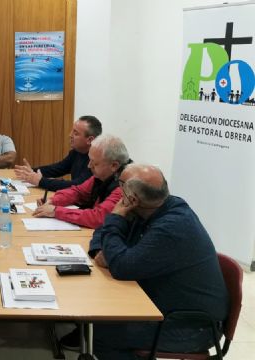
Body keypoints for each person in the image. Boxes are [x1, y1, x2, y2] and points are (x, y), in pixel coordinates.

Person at [86, 164, 229, 359]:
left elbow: (122, 267)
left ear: (132, 198)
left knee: (102, 334)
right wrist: (100, 252)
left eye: (121, 185)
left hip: (193, 326)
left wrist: (115, 222)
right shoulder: (148, 209)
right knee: (97, 318)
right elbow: (102, 232)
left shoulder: (172, 226)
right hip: (164, 305)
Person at [32, 134, 129, 229]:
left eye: (95, 163)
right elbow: (77, 192)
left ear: (114, 166)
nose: (89, 166)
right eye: (89, 160)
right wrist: (53, 201)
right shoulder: (101, 176)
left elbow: (98, 218)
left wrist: (55, 211)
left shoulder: (124, 186)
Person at [14, 115, 102, 191]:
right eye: (72, 131)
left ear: (90, 140)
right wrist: (32, 171)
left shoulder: (96, 161)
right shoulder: (76, 152)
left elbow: (77, 185)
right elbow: (57, 168)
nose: (70, 135)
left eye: (76, 133)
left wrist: (40, 181)